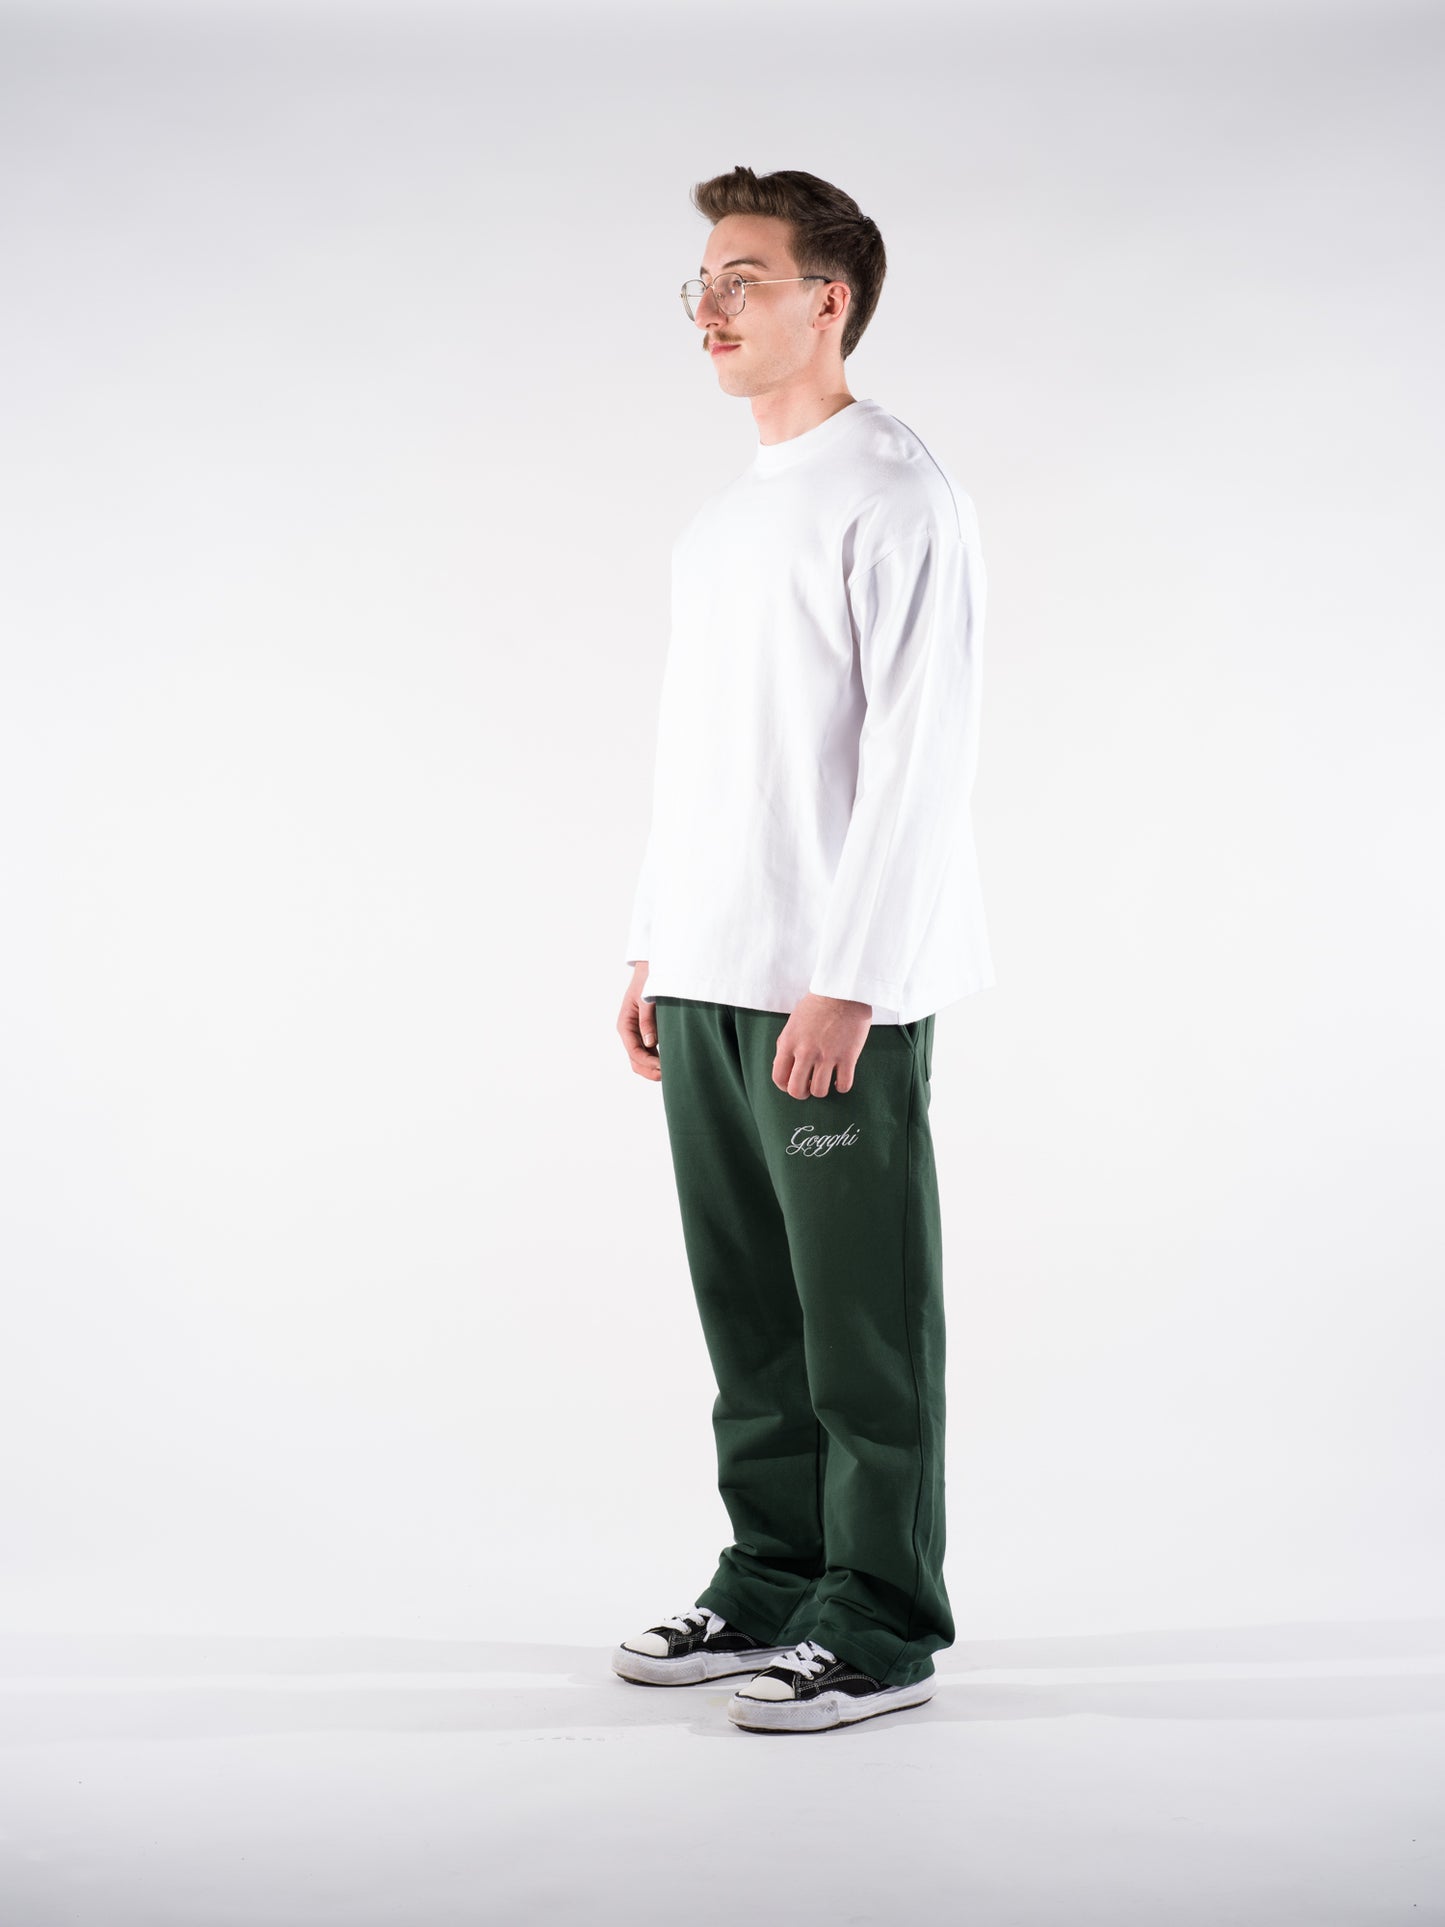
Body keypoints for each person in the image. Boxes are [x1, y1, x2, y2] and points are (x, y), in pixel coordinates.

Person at [610, 165, 995, 1734]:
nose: (707, 308)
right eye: (700, 281)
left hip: (833, 987)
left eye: (743, 278)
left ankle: (881, 1616)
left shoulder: (895, 493)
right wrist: (652, 941)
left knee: (859, 1320)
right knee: (750, 1316)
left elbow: (920, 756)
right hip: (711, 968)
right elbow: (698, 755)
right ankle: (771, 1574)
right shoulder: (719, 526)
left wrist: (850, 977)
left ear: (827, 300)